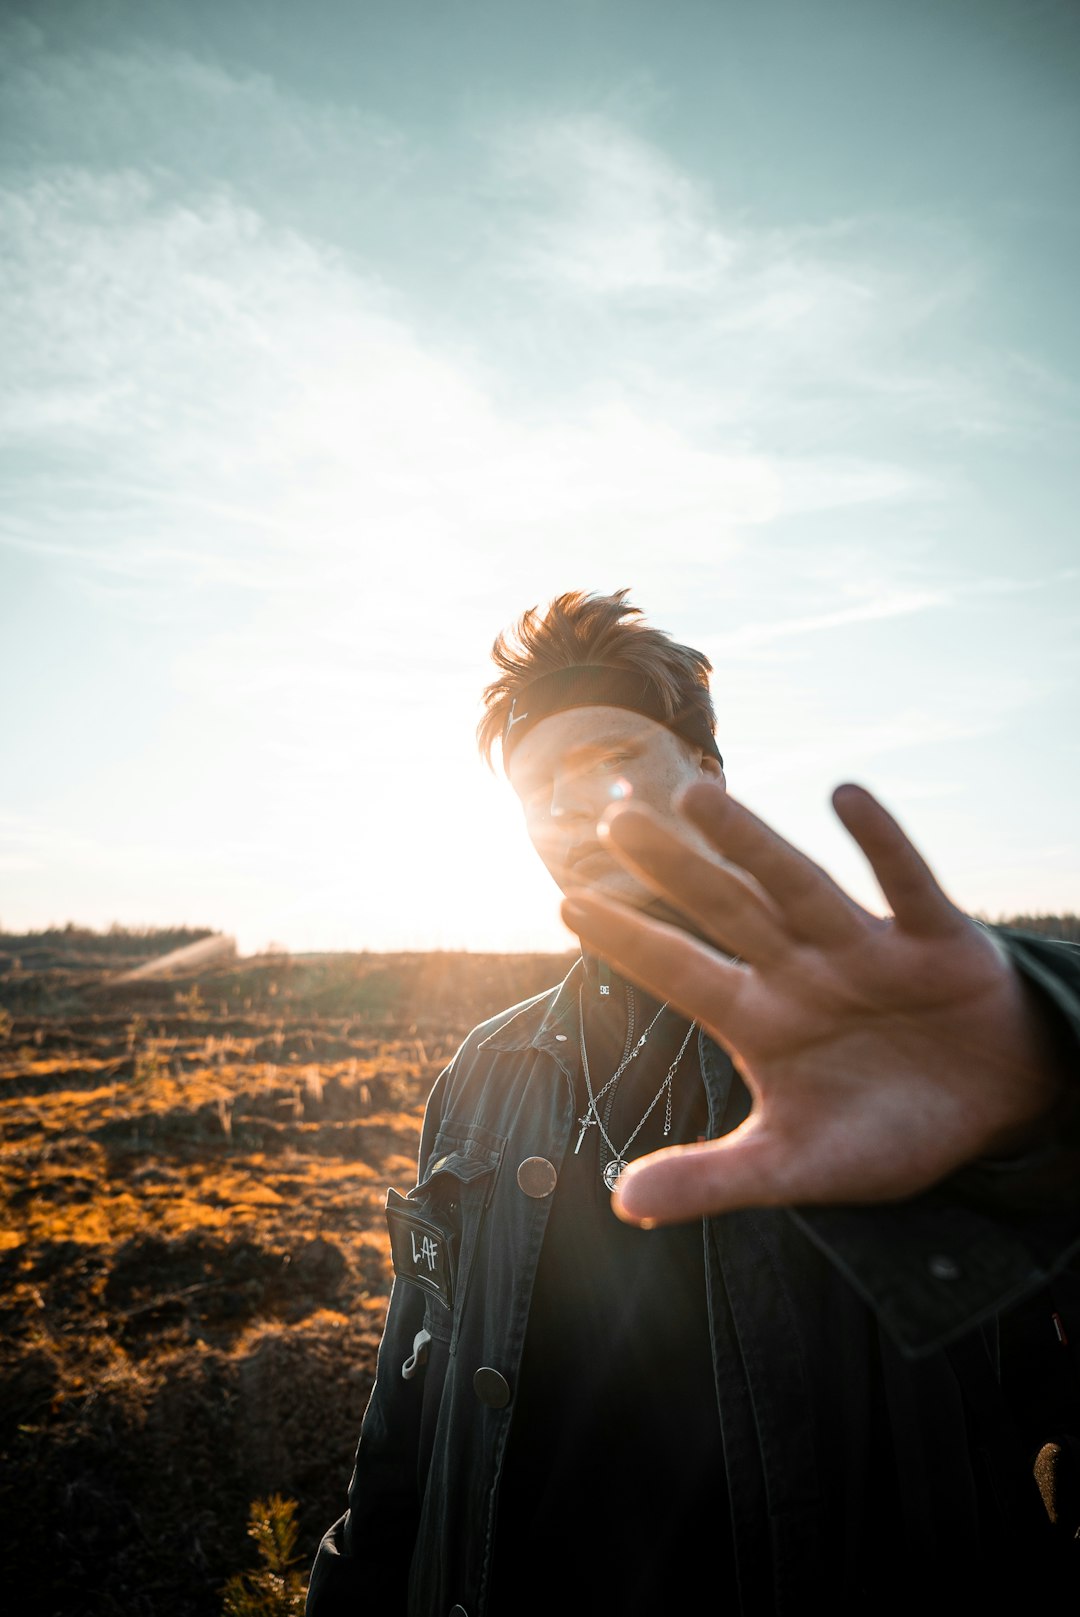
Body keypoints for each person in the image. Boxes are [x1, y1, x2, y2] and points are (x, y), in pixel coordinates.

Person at [307, 589, 1080, 1616]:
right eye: (543, 785)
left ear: (707, 773)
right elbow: (407, 1417)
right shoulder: (484, 1075)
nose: (580, 807)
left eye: (615, 761)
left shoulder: (873, 1049)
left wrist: (1042, 1067)